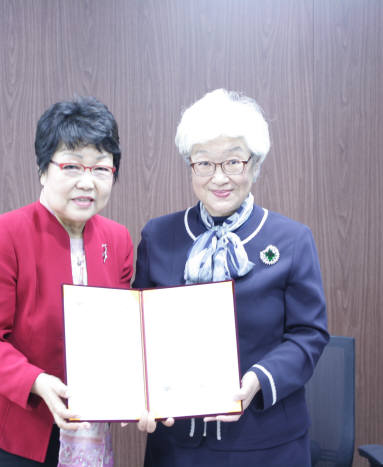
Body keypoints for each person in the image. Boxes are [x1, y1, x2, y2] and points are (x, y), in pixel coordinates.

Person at [134, 89, 329, 466]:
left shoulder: (291, 240)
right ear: (191, 166)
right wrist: (140, 395)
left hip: (266, 443)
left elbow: (309, 334)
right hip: (177, 447)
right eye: (204, 163)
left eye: (233, 162)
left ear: (254, 165)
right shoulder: (158, 237)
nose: (218, 178)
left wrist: (257, 380)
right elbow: (140, 334)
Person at [0, 96, 132, 466]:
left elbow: (120, 332)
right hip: (10, 431)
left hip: (87, 427)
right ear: (43, 170)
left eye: (100, 169)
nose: (87, 182)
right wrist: (37, 382)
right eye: (71, 167)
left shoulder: (118, 240)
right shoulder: (3, 234)